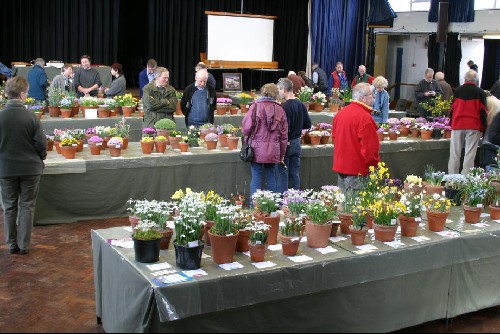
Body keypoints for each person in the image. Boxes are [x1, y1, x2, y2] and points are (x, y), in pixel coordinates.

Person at [0, 77, 47, 255]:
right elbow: (41, 145)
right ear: (22, 94)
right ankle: (24, 245)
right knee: (27, 205)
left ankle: (11, 244)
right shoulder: (31, 117)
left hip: (5, 170)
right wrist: (40, 158)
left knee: (9, 206)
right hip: (30, 169)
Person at [242, 83, 288, 200]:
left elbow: (246, 128)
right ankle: (270, 206)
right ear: (275, 94)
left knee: (256, 176)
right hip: (273, 150)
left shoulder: (255, 106)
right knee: (271, 176)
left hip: (255, 149)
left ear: (263, 92)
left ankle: (255, 207)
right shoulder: (280, 109)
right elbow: (283, 136)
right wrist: (282, 155)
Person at [332, 83, 380, 192]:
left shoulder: (340, 113)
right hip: (357, 169)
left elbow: (335, 138)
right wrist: (374, 166)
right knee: (355, 206)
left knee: (343, 204)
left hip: (341, 167)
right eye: (371, 95)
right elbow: (370, 148)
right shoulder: (365, 118)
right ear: (363, 98)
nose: (373, 97)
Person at [448, 70, 488, 175]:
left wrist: (451, 123)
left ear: (465, 79)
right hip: (473, 126)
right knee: (469, 154)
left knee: (454, 154)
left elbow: (452, 109)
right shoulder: (480, 92)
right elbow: (483, 112)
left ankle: (452, 178)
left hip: (457, 125)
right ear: (476, 80)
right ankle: (465, 179)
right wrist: (483, 128)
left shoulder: (457, 91)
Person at [277, 77, 311, 193]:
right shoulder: (301, 104)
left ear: (284, 89)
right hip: (297, 143)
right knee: (295, 174)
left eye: (279, 90)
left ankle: (284, 201)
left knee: (283, 174)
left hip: (287, 143)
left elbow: (285, 129)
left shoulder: (285, 107)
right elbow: (307, 124)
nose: (279, 93)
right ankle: (296, 200)